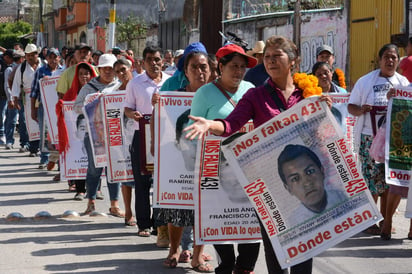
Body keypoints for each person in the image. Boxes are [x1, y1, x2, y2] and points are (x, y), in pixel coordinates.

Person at [185, 35, 331, 274]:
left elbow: (320, 134)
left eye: (277, 56)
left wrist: (323, 111)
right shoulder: (255, 96)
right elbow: (230, 125)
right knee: (276, 256)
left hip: (305, 183)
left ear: (293, 61)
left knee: (304, 253)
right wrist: (210, 125)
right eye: (268, 58)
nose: (271, 61)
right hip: (269, 185)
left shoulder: (308, 93)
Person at [188, 43, 260, 274]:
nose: (239, 72)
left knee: (250, 237)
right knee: (222, 234)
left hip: (250, 173)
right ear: (220, 67)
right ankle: (226, 266)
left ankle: (244, 268)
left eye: (242, 67)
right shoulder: (205, 93)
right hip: (216, 175)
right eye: (234, 67)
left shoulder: (251, 90)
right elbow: (193, 132)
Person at [155, 51, 213, 272]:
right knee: (177, 209)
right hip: (178, 165)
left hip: (209, 163)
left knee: (204, 208)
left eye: (204, 67)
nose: (200, 71)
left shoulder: (216, 95)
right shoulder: (173, 97)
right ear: (186, 71)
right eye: (195, 67)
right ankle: (174, 250)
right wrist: (156, 105)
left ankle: (197, 255)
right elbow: (162, 126)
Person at [348, 43, 410, 236]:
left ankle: (386, 220)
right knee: (372, 181)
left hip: (395, 142)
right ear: (380, 59)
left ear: (398, 61)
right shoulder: (365, 82)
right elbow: (351, 106)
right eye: (387, 57)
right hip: (369, 138)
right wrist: (361, 110)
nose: (390, 60)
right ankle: (370, 220)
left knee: (392, 182)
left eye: (394, 57)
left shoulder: (404, 84)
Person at [124, 46, 170, 237]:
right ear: (143, 62)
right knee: (142, 181)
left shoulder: (171, 82)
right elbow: (127, 108)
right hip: (141, 136)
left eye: (157, 59)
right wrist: (132, 114)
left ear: (163, 62)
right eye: (150, 59)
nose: (154, 63)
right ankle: (143, 223)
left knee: (162, 182)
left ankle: (160, 222)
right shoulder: (135, 83)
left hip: (166, 138)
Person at [73, 53, 124, 217]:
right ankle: (91, 202)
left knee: (114, 169)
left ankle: (114, 205)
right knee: (94, 169)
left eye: (111, 69)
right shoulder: (89, 87)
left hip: (115, 132)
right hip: (93, 134)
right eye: (105, 69)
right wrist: (92, 103)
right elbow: (76, 107)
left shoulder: (121, 85)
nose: (108, 72)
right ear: (99, 69)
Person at [56, 61, 98, 200]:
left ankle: (96, 189)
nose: (84, 76)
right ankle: (80, 189)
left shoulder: (98, 90)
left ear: (92, 74)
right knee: (78, 157)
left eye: (87, 73)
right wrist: (61, 106)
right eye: (81, 74)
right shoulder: (70, 93)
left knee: (97, 160)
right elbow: (62, 108)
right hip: (78, 135)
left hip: (96, 131)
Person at [278, 144, 346, 224]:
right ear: (288, 188)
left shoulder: (344, 197)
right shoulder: (293, 222)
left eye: (310, 171)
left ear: (322, 172)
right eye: (295, 179)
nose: (307, 183)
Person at [30, 48, 63, 169]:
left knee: (59, 132)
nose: (53, 60)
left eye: (55, 57)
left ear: (59, 58)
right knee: (44, 132)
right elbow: (34, 92)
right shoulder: (40, 71)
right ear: (47, 59)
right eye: (50, 57)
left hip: (59, 106)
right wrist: (33, 110)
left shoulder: (63, 71)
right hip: (44, 107)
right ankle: (44, 158)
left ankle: (60, 160)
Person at [113, 58, 137, 227]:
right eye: (118, 71)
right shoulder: (113, 92)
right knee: (126, 177)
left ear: (131, 68)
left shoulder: (139, 86)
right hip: (122, 141)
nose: (121, 74)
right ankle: (128, 211)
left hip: (140, 136)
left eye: (123, 69)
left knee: (145, 180)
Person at [10, 43, 42, 156]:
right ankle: (33, 148)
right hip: (28, 98)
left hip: (43, 97)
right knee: (31, 123)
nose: (30, 57)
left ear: (36, 54)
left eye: (32, 55)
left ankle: (45, 149)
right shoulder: (22, 68)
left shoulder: (44, 65)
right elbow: (16, 83)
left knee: (44, 122)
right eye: (27, 55)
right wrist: (14, 98)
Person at [0, 49, 14, 145]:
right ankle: (2, 134)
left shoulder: (9, 66)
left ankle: (3, 134)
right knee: (1, 115)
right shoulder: (2, 63)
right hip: (2, 94)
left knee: (4, 115)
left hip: (5, 94)